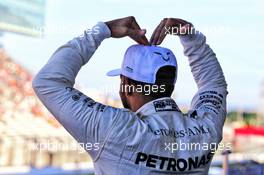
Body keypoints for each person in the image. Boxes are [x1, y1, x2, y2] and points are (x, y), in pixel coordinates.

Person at [33, 16, 228, 175]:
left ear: (126, 85)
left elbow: (47, 82)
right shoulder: (205, 127)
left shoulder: (115, 128)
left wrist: (103, 30)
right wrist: (190, 36)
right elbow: (213, 84)